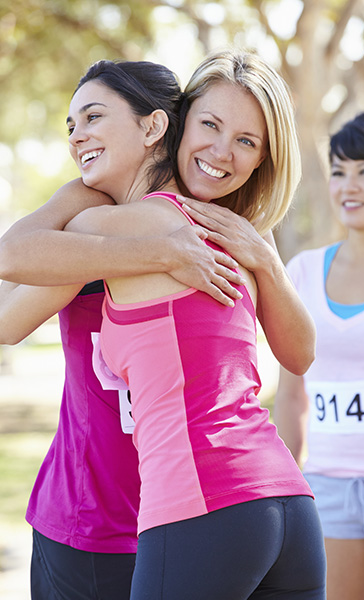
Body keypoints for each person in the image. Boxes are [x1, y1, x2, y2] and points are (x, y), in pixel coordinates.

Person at [0, 51, 322, 599]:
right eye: (72, 123)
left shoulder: (129, 225)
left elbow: (9, 271)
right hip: (261, 504)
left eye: (95, 117)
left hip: (192, 503)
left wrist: (261, 260)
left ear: (155, 126)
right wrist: (160, 252)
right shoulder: (139, 223)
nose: (78, 135)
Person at [274, 110, 364, 600]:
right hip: (328, 487)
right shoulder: (301, 273)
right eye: (341, 171)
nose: (350, 185)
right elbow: (291, 397)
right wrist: (286, 491)